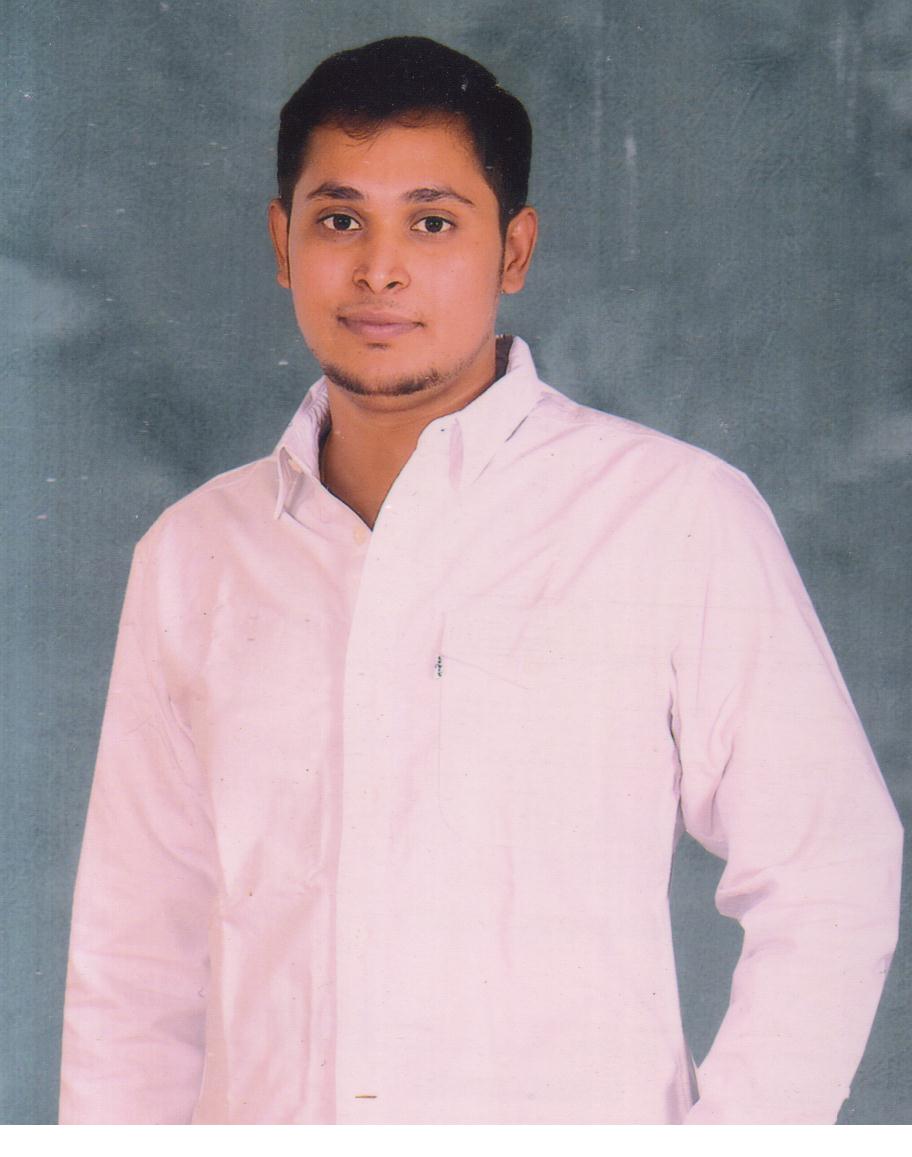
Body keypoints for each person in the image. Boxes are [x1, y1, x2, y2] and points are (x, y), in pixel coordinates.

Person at [59, 36, 902, 1125]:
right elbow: (137, 960)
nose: (380, 270)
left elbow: (830, 872)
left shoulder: (671, 517)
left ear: (514, 250)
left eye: (433, 222)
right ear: (281, 243)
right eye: (339, 219)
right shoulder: (194, 555)